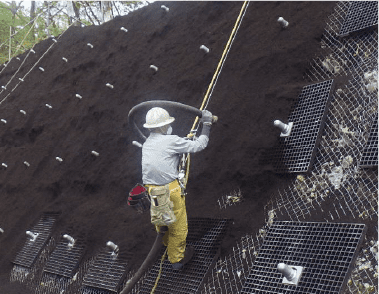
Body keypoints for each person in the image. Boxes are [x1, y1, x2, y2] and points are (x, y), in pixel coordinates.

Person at [142, 107, 213, 270]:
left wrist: (181, 142)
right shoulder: (171, 141)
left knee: (162, 222)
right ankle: (177, 259)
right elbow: (200, 145)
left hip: (152, 190)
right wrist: (207, 124)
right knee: (179, 227)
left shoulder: (147, 143)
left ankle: (167, 243)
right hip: (170, 190)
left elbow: (164, 151)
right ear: (162, 126)